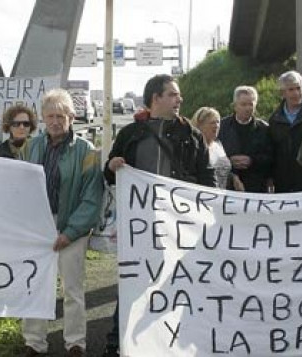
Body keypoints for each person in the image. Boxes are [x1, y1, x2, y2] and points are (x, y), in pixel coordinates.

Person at [103, 74, 214, 357]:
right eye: (173, 95)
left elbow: (207, 179)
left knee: (178, 283)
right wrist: (113, 166)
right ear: (156, 98)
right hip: (140, 226)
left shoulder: (191, 135)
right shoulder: (130, 134)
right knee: (133, 281)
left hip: (179, 226)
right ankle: (117, 342)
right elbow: (110, 173)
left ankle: (169, 341)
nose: (180, 100)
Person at [21, 88, 103, 357]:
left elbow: (92, 197)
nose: (55, 121)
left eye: (61, 115)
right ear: (43, 118)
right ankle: (34, 342)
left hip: (72, 228)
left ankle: (76, 343)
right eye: (50, 115)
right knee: (34, 285)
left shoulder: (87, 151)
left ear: (71, 117)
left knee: (72, 289)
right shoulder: (31, 147)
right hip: (36, 229)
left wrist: (69, 232)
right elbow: (20, 186)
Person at [218, 86, 272, 192]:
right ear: (235, 106)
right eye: (243, 104)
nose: (247, 108)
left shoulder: (264, 129)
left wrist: (252, 160)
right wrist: (229, 161)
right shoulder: (221, 127)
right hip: (228, 187)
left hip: (256, 187)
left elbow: (271, 157)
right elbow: (214, 154)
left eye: (251, 104)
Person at [192, 107, 244, 190]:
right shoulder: (194, 148)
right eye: (212, 123)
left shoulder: (218, 145)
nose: (216, 126)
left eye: (218, 122)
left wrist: (234, 178)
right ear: (200, 125)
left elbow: (223, 169)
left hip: (222, 195)